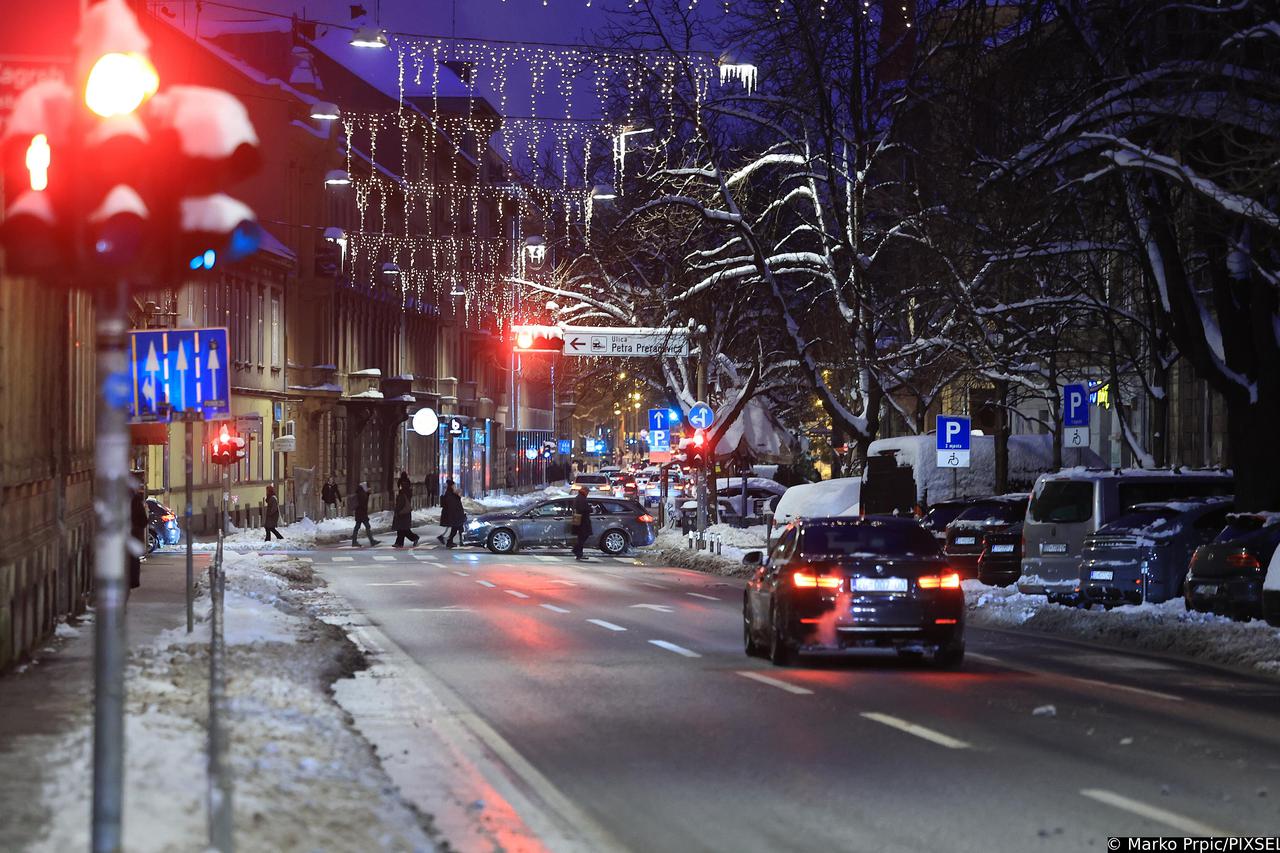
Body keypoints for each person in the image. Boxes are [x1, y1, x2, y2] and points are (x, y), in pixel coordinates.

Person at [392, 479, 420, 548]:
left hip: (402, 514)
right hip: (405, 514)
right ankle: (400, 542)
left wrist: (397, 511)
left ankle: (400, 542)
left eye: (401, 486)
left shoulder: (403, 494)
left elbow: (400, 504)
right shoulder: (407, 493)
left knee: (402, 529)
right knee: (403, 529)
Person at [437, 480, 465, 548]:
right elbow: (452, 506)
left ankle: (451, 541)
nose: (455, 487)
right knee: (457, 528)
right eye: (454, 486)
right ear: (451, 486)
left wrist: (457, 495)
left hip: (455, 515)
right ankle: (457, 541)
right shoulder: (450, 494)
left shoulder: (451, 494)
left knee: (456, 528)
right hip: (454, 515)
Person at [350, 482, 379, 547]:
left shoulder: (360, 493)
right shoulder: (362, 494)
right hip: (362, 513)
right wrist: (367, 493)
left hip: (359, 513)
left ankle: (354, 541)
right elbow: (364, 503)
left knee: (357, 527)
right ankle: (371, 541)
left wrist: (367, 493)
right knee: (366, 526)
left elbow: (364, 501)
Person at [571, 485, 592, 561]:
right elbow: (583, 509)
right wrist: (590, 509)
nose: (588, 493)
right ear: (585, 491)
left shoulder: (579, 497)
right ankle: (577, 551)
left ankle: (578, 553)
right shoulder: (582, 499)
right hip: (583, 522)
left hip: (580, 521)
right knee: (583, 537)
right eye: (587, 492)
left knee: (581, 538)